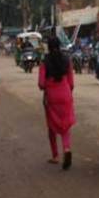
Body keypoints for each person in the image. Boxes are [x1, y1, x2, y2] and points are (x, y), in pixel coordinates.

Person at [38, 37, 76, 170]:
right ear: (60, 46)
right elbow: (71, 83)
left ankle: (55, 155)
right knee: (65, 125)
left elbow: (41, 84)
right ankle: (66, 148)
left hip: (51, 96)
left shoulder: (45, 61)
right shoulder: (67, 59)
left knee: (52, 125)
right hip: (65, 93)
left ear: (48, 46)